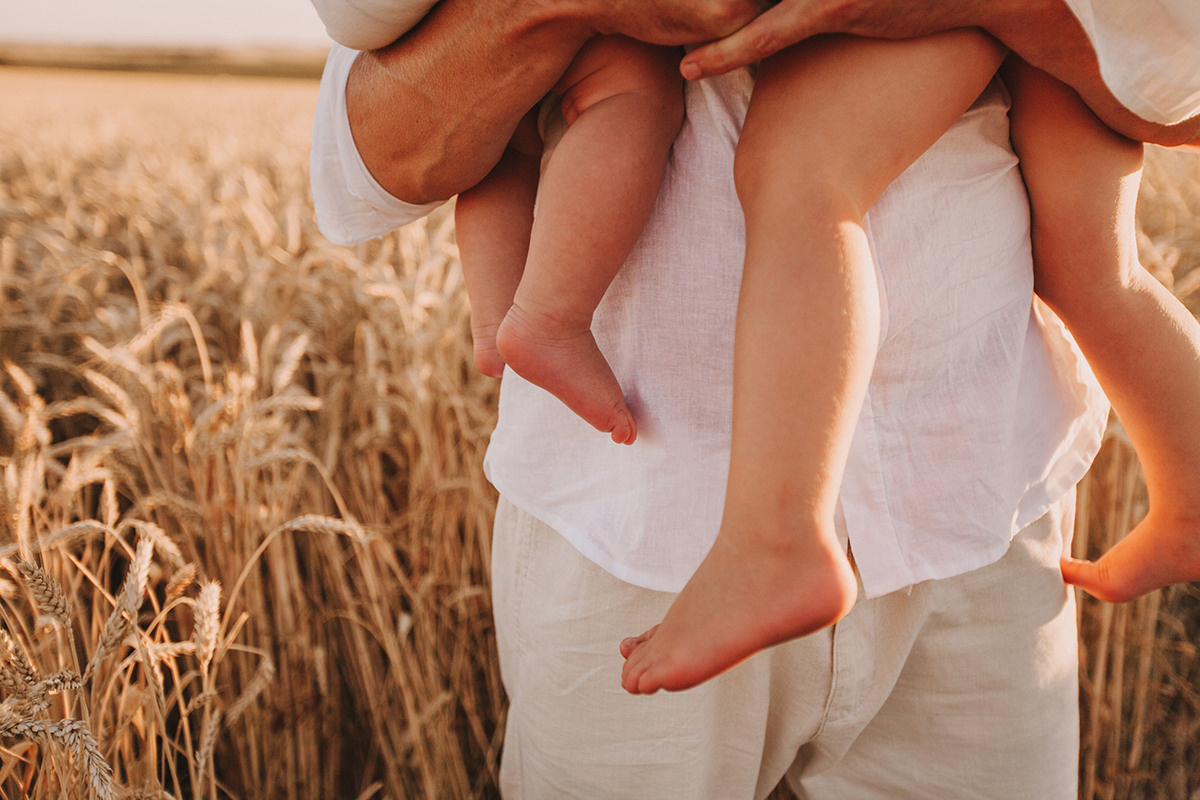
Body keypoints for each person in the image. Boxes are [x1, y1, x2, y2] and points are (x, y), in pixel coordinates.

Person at [310, 0, 1200, 796]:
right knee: (1093, 266)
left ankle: (774, 534)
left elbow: (1176, 83)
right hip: (640, 523)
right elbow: (366, 148)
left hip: (977, 502)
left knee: (811, 172)